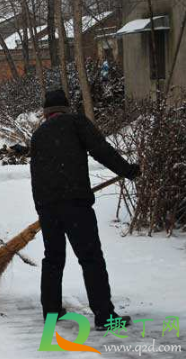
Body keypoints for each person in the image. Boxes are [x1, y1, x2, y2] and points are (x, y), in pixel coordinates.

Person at [11, 89, 140, 331]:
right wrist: (127, 170)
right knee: (91, 258)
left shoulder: (39, 135)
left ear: (46, 113)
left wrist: (43, 206)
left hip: (47, 205)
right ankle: (104, 316)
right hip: (75, 202)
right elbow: (101, 150)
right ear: (66, 108)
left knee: (53, 258)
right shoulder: (75, 123)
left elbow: (36, 174)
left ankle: (51, 311)